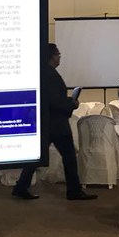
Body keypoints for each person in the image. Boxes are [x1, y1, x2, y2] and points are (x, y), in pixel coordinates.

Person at [12, 43, 97, 201]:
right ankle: (74, 191)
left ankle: (21, 186)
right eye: (58, 55)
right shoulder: (50, 74)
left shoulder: (43, 72)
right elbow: (54, 100)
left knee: (37, 158)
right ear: (52, 56)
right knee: (69, 157)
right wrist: (72, 103)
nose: (59, 58)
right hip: (56, 124)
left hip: (48, 123)